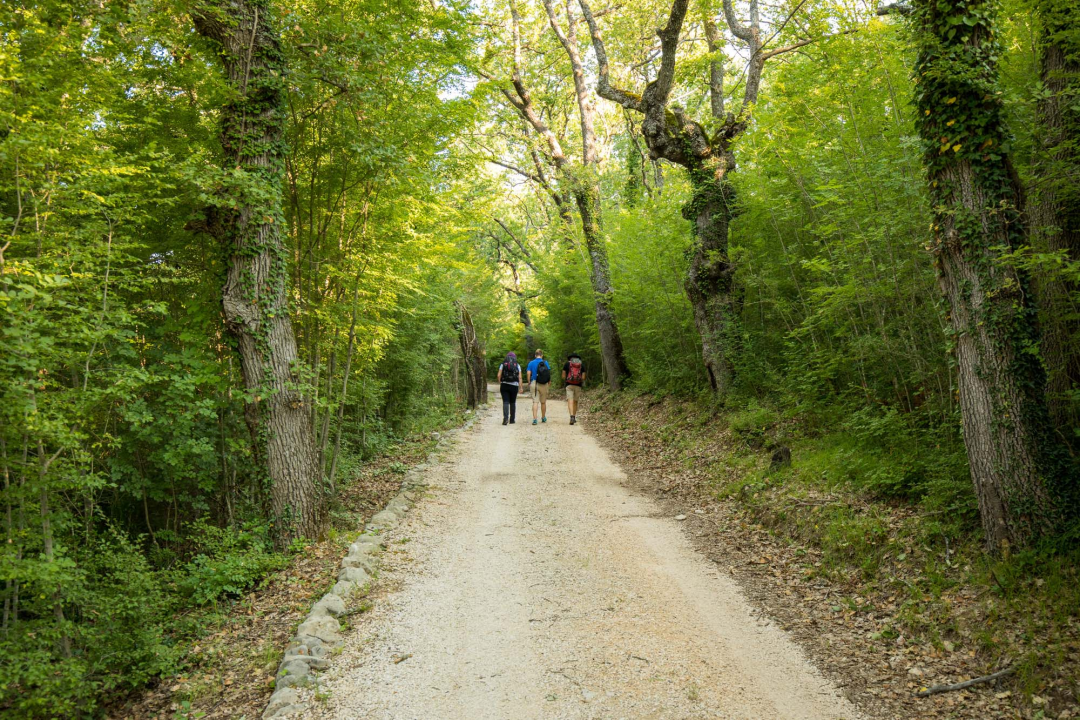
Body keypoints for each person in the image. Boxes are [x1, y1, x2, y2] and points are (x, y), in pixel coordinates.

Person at [526, 349, 551, 425]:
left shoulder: (531, 363)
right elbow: (548, 373)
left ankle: (535, 419)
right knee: (543, 402)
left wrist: (529, 382)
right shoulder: (545, 362)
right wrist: (549, 383)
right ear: (542, 355)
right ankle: (543, 418)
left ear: (535, 355)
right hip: (544, 384)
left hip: (534, 383)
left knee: (535, 402)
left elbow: (528, 373)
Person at [496, 351, 522, 425]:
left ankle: (505, 418)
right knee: (513, 402)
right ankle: (512, 419)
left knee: (505, 401)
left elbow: (498, 375)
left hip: (505, 385)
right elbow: (519, 377)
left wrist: (500, 382)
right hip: (514, 385)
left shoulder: (503, 364)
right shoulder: (517, 365)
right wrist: (520, 387)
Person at [562, 353, 586, 425]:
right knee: (575, 401)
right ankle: (574, 417)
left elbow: (563, 376)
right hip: (578, 385)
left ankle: (571, 416)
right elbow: (583, 377)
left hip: (569, 385)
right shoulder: (581, 365)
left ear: (570, 358)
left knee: (570, 401)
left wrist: (567, 378)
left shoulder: (567, 364)